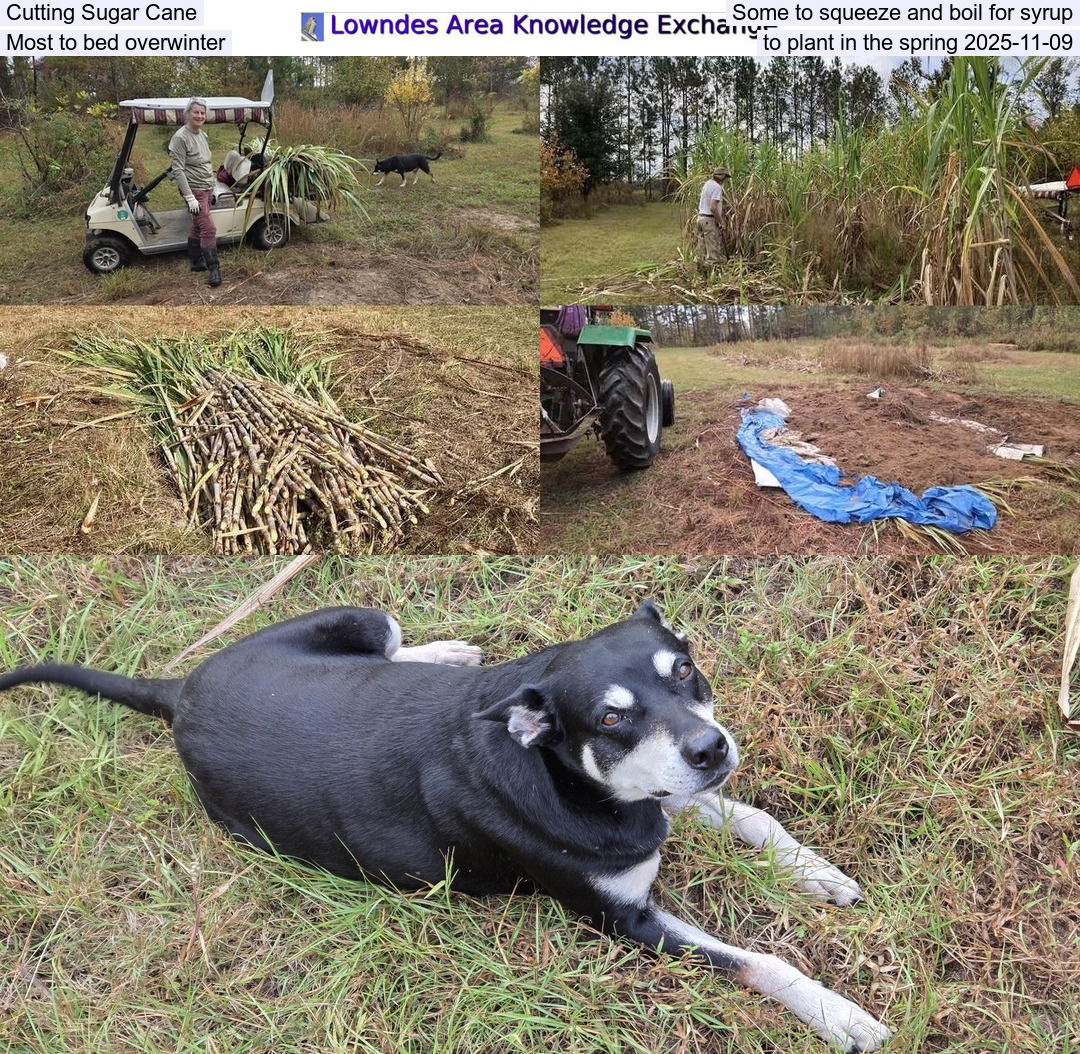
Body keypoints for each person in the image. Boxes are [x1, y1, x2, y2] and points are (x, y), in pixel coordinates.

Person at [169, 97, 221, 287]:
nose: (199, 116)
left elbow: (207, 163)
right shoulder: (180, 138)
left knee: (199, 226)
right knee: (209, 228)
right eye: (196, 112)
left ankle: (196, 261)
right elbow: (178, 170)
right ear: (187, 114)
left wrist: (213, 186)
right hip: (195, 190)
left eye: (202, 113)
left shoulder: (202, 135)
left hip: (206, 187)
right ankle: (213, 267)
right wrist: (189, 197)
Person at [696, 167, 730, 267]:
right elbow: (713, 207)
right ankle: (712, 274)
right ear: (722, 176)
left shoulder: (707, 184)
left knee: (702, 247)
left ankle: (699, 270)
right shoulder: (717, 187)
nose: (725, 179)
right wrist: (720, 221)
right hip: (709, 220)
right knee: (712, 250)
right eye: (725, 176)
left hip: (701, 218)